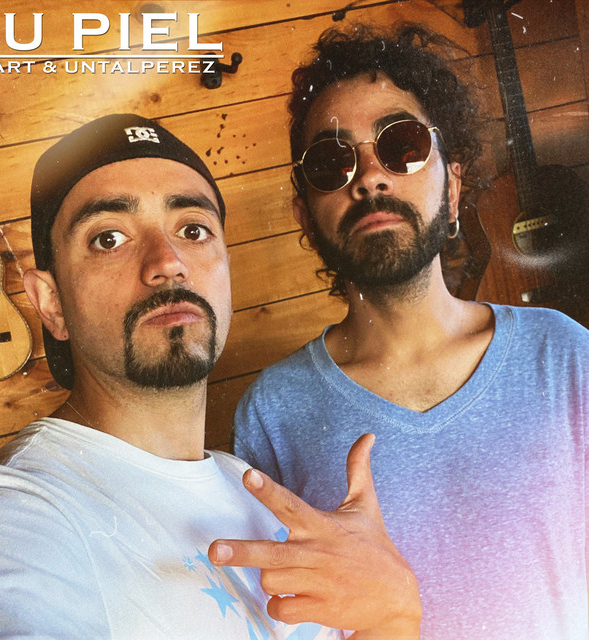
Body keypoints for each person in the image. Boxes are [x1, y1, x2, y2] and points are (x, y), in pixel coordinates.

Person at [0, 114, 419, 639]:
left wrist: (393, 617)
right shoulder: (5, 522)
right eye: (108, 238)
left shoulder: (251, 491)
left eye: (193, 230)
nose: (168, 261)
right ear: (52, 303)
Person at [229, 24, 589, 640]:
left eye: (401, 145)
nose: (370, 177)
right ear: (304, 215)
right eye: (332, 161)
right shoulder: (273, 413)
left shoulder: (561, 355)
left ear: (452, 187)